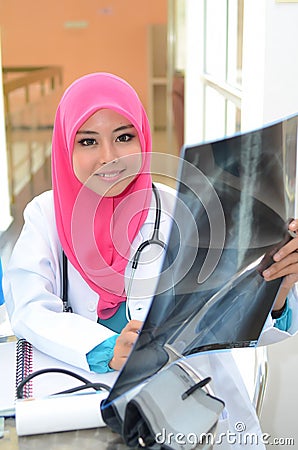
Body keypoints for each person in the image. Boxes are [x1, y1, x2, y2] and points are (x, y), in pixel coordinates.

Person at [3, 72, 298, 449]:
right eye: (88, 141)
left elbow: (227, 317)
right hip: (88, 409)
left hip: (196, 408)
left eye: (124, 137)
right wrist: (104, 349)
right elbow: (28, 308)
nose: (108, 157)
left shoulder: (183, 209)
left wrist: (277, 287)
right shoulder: (45, 216)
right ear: (64, 147)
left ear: (143, 137)